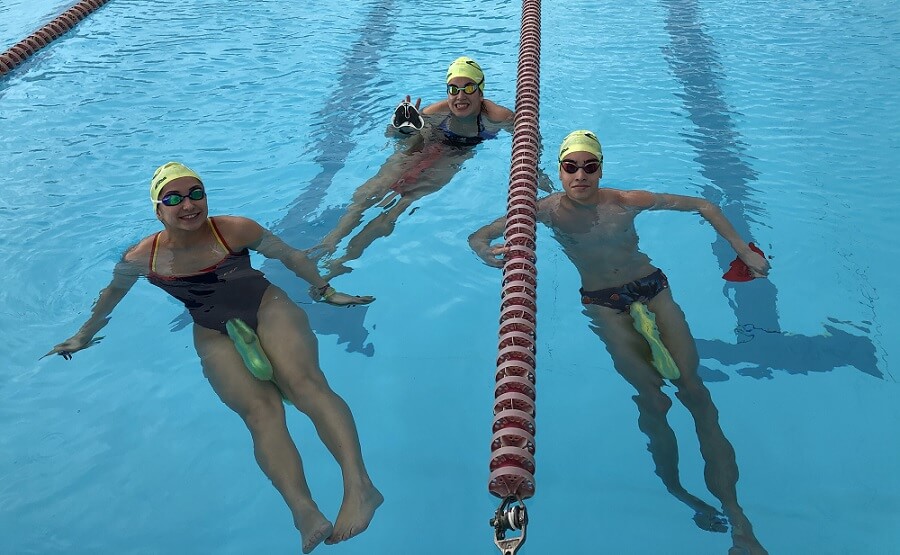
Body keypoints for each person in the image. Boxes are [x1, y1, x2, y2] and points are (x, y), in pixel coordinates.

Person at [46, 162, 383, 554]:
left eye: (195, 194)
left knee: (305, 385)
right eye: (173, 198)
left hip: (266, 305)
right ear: (158, 210)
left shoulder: (234, 229)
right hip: (211, 328)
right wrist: (82, 336)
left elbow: (290, 256)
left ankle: (360, 487)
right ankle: (303, 511)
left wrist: (324, 291)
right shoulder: (143, 258)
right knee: (261, 413)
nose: (187, 205)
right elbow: (110, 297)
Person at [469, 131, 770, 554]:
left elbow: (704, 205)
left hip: (652, 287)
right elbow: (479, 234)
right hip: (603, 303)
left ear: (601, 169)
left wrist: (743, 249)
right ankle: (681, 493)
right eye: (571, 166)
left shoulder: (624, 201)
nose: (580, 174)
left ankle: (740, 521)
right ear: (559, 170)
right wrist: (484, 250)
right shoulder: (547, 211)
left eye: (589, 166)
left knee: (695, 392)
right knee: (652, 398)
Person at [311, 55, 523, 279]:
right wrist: (401, 128)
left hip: (455, 155)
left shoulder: (498, 116)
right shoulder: (435, 112)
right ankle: (328, 244)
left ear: (481, 92)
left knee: (399, 205)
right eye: (453, 89)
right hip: (423, 145)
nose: (460, 96)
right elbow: (396, 138)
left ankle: (341, 262)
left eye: (469, 88)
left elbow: (526, 140)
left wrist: (533, 171)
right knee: (369, 193)